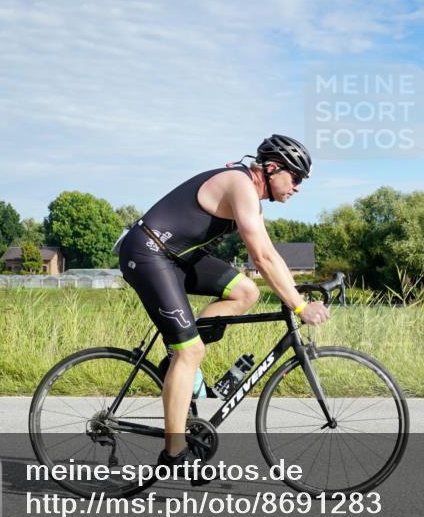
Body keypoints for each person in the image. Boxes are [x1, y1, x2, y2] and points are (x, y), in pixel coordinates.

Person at [116, 134, 330, 477]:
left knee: (245, 293)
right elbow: (259, 257)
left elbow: (270, 252)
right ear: (273, 169)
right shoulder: (240, 185)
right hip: (148, 253)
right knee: (191, 352)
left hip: (175, 258)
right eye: (296, 177)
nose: (298, 187)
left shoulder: (250, 196)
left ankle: (177, 357)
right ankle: (174, 454)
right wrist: (300, 307)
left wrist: (297, 292)